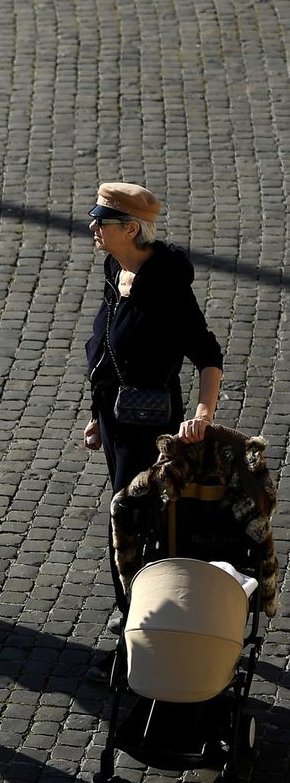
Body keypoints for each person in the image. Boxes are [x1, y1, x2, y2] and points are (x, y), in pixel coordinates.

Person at [81, 181, 223, 643]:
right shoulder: (114, 269)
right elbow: (108, 351)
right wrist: (96, 416)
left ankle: (137, 627)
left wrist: (202, 412)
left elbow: (207, 354)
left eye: (102, 222)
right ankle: (137, 618)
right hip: (115, 417)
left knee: (130, 519)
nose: (93, 227)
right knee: (129, 516)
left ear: (131, 228)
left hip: (148, 427)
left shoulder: (166, 287)